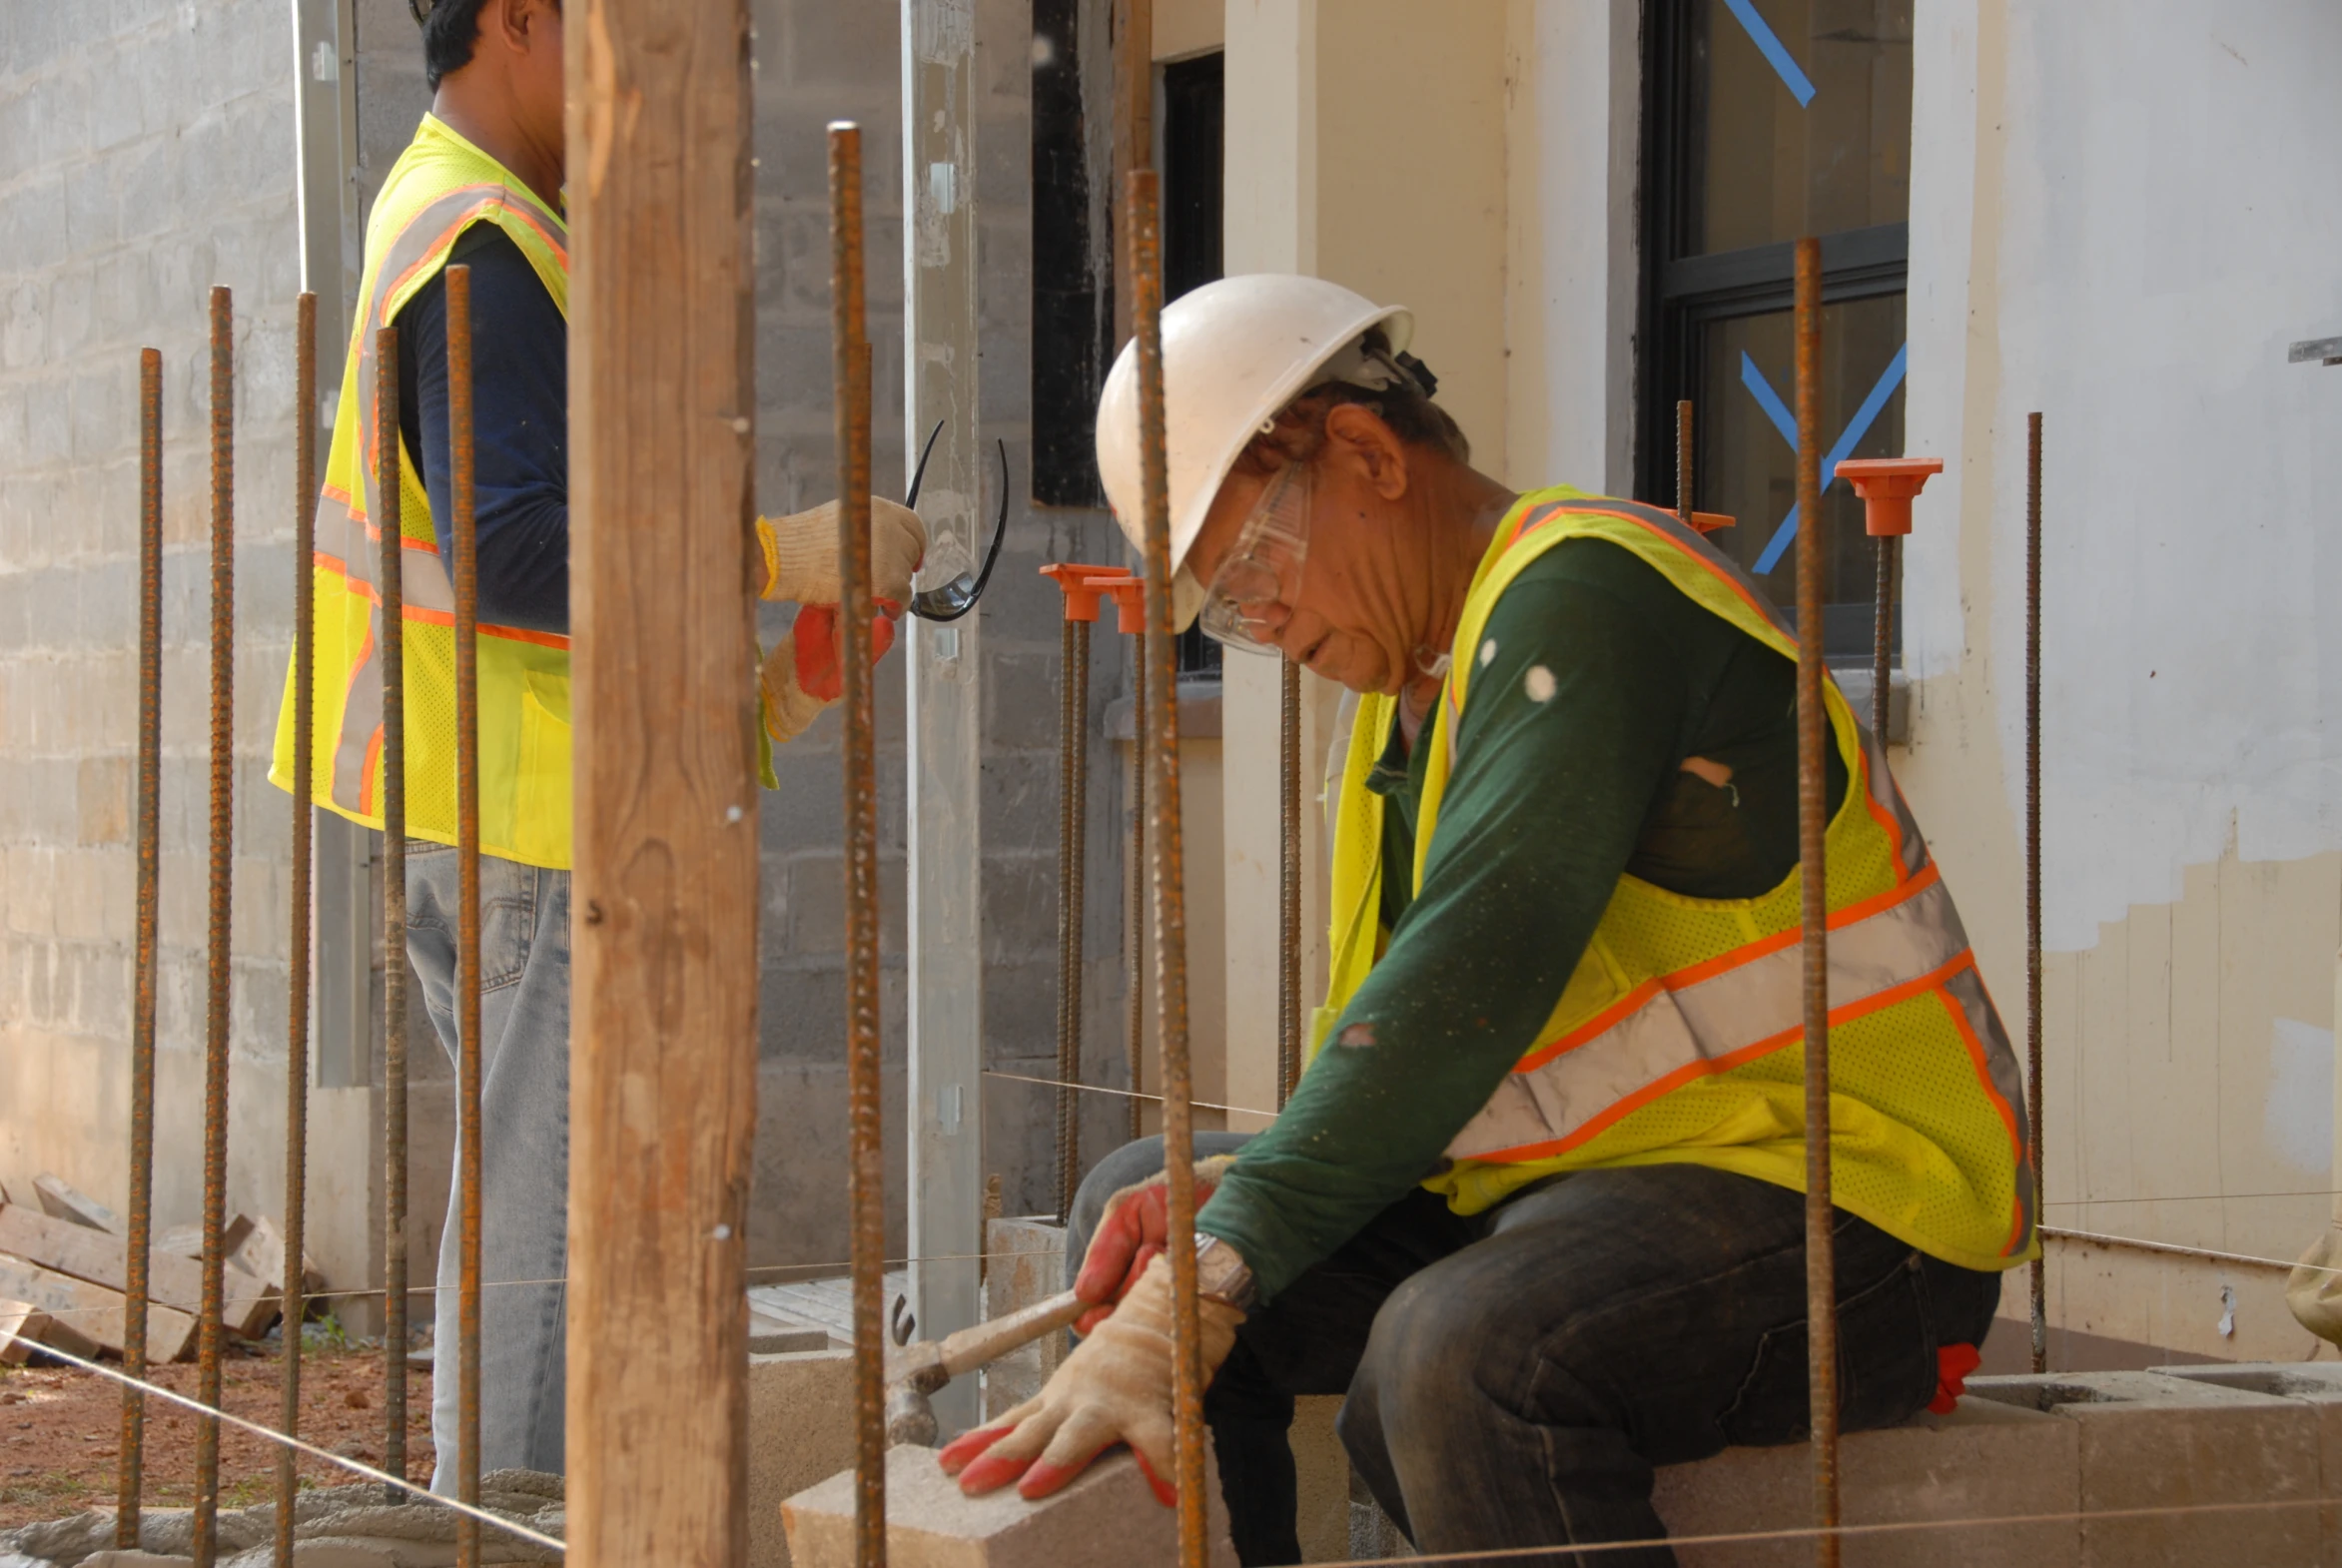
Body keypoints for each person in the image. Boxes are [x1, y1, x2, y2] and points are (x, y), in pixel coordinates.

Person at [943, 275, 2035, 1565]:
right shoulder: (1405, 698)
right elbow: (1421, 1047)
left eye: (1247, 568)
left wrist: (1232, 1255)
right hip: (1588, 1194)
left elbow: (1474, 969)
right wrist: (1239, 1210)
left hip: (1854, 1213)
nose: (1263, 623)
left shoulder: (1588, 601)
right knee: (1143, 1214)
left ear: (1364, 452)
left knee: (1459, 1353)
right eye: (1224, 612)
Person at [267, 0, 923, 1487]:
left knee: (549, 1208)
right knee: (543, 1226)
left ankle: (525, 1513)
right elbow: (512, 554)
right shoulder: (478, 239)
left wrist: (778, 694)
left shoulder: (499, 226)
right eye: (606, 28)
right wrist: (778, 547)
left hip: (518, 800)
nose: (639, 70)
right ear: (515, 22)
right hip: (532, 819)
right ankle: (501, 1529)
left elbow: (583, 578)